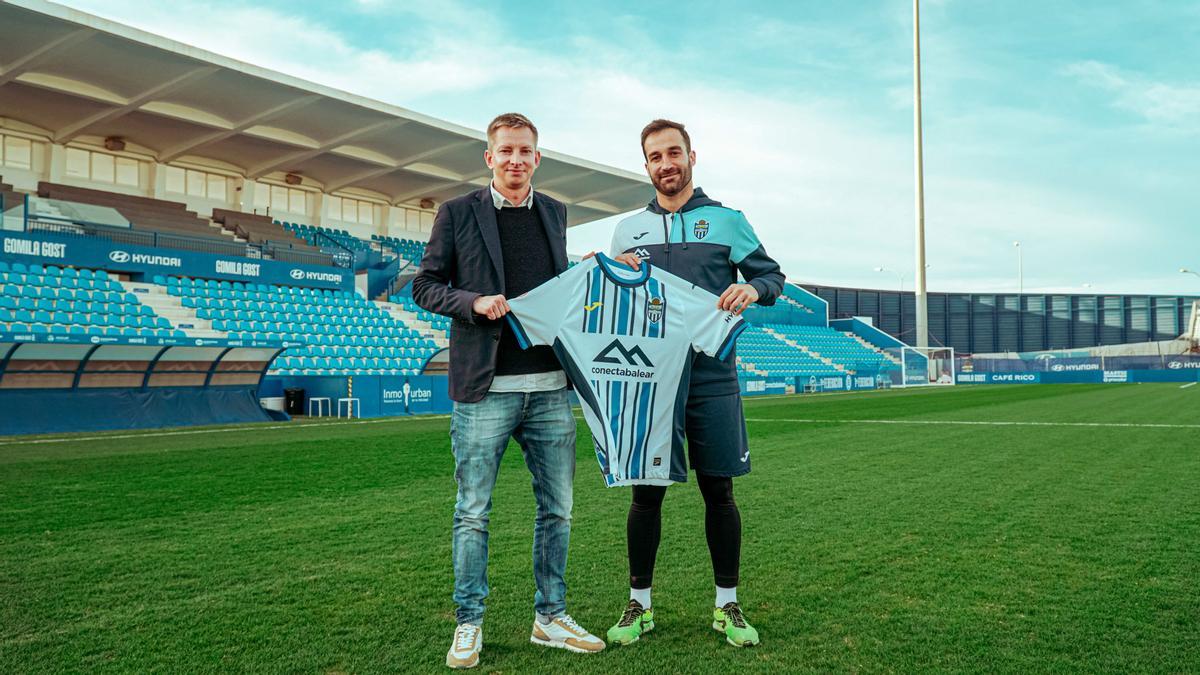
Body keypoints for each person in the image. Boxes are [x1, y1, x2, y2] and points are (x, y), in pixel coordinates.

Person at [412, 112, 605, 669]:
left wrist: (593, 271)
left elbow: (558, 289)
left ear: (537, 158)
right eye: (506, 151)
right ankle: (469, 622)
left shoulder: (555, 212)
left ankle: (551, 618)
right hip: (486, 388)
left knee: (559, 511)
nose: (516, 160)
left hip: (550, 387)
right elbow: (424, 286)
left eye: (525, 151)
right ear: (489, 157)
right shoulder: (457, 212)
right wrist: (471, 302)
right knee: (473, 512)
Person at [603, 119, 784, 648]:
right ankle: (639, 605)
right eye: (655, 156)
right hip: (650, 381)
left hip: (712, 378)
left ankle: (727, 605)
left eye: (673, 153)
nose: (666, 164)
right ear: (646, 166)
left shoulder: (728, 221)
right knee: (645, 495)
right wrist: (606, 271)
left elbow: (772, 276)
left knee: (719, 493)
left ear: (691, 156)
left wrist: (752, 290)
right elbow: (615, 298)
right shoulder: (628, 230)